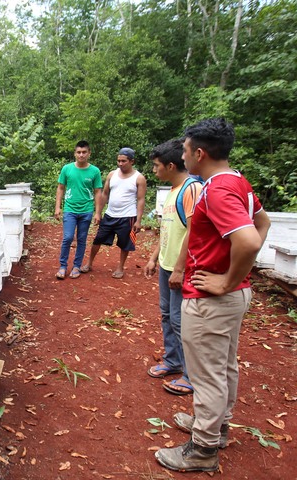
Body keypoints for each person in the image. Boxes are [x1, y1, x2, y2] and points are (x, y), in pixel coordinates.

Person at [155, 118, 270, 472]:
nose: (184, 155)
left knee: (206, 374)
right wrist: (236, 277)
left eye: (186, 150)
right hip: (232, 295)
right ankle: (215, 427)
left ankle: (203, 449)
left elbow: (249, 239)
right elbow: (263, 223)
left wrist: (224, 280)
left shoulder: (217, 190)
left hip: (212, 298)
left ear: (199, 153)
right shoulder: (236, 182)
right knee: (223, 367)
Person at [144, 139, 203, 396]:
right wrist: (154, 257)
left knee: (182, 322)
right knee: (167, 316)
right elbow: (168, 229)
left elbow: (194, 230)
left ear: (170, 165)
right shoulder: (172, 190)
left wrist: (180, 268)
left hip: (182, 268)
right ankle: (172, 360)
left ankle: (192, 376)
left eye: (157, 166)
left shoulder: (192, 189)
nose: (154, 170)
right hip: (167, 265)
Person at [82, 147, 146, 278]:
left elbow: (140, 200)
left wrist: (138, 221)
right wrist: (98, 212)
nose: (120, 164)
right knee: (97, 239)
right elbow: (105, 194)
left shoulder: (139, 178)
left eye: (124, 161)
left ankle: (120, 267)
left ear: (132, 161)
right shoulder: (112, 175)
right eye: (119, 161)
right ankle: (89, 263)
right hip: (110, 215)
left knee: (125, 243)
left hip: (128, 217)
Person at [54, 140, 103, 279]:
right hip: (70, 208)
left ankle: (76, 266)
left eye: (84, 152)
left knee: (82, 238)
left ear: (89, 153)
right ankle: (63, 266)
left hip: (86, 209)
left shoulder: (94, 171)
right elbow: (60, 188)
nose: (81, 155)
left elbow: (98, 192)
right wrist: (58, 207)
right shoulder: (67, 169)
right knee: (68, 237)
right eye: (78, 152)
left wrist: (98, 212)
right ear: (75, 153)